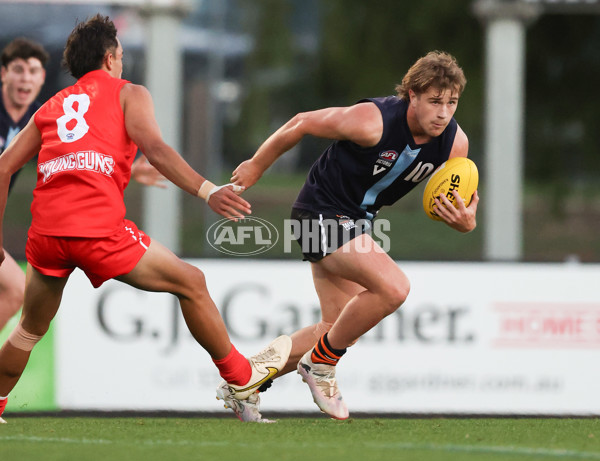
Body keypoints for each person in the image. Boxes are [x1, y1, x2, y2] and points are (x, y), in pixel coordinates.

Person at [0, 14, 291, 424]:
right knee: (191, 283)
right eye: (119, 55)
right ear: (109, 58)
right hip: (97, 232)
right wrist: (208, 190)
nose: (121, 62)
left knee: (29, 329)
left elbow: (3, 167)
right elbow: (154, 147)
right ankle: (242, 381)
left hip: (47, 234)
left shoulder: (51, 105)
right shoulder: (128, 93)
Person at [217, 51, 479, 422]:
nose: (443, 112)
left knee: (338, 328)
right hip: (318, 212)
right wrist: (257, 165)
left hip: (358, 221)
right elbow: (301, 122)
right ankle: (321, 366)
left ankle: (244, 380)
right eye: (435, 101)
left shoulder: (455, 145)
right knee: (394, 288)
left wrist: (464, 221)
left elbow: (456, 207)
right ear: (412, 95)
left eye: (451, 102)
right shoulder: (371, 121)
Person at [0, 37, 166, 333]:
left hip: (59, 237)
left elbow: (77, 154)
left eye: (34, 71)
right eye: (18, 69)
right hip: (69, 239)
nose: (26, 77)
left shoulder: (42, 115)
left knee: (14, 290)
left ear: (42, 79)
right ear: (3, 74)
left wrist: (124, 166)